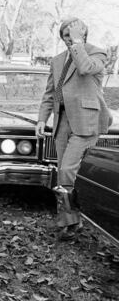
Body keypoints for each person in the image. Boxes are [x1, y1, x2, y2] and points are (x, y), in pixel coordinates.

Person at [36, 17, 111, 240]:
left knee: (68, 169)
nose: (70, 39)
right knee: (63, 172)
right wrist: (42, 119)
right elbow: (50, 93)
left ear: (84, 34)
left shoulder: (97, 53)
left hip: (86, 121)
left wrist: (78, 43)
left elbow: (86, 68)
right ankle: (71, 223)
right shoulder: (57, 60)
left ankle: (67, 223)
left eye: (75, 34)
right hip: (61, 122)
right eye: (66, 36)